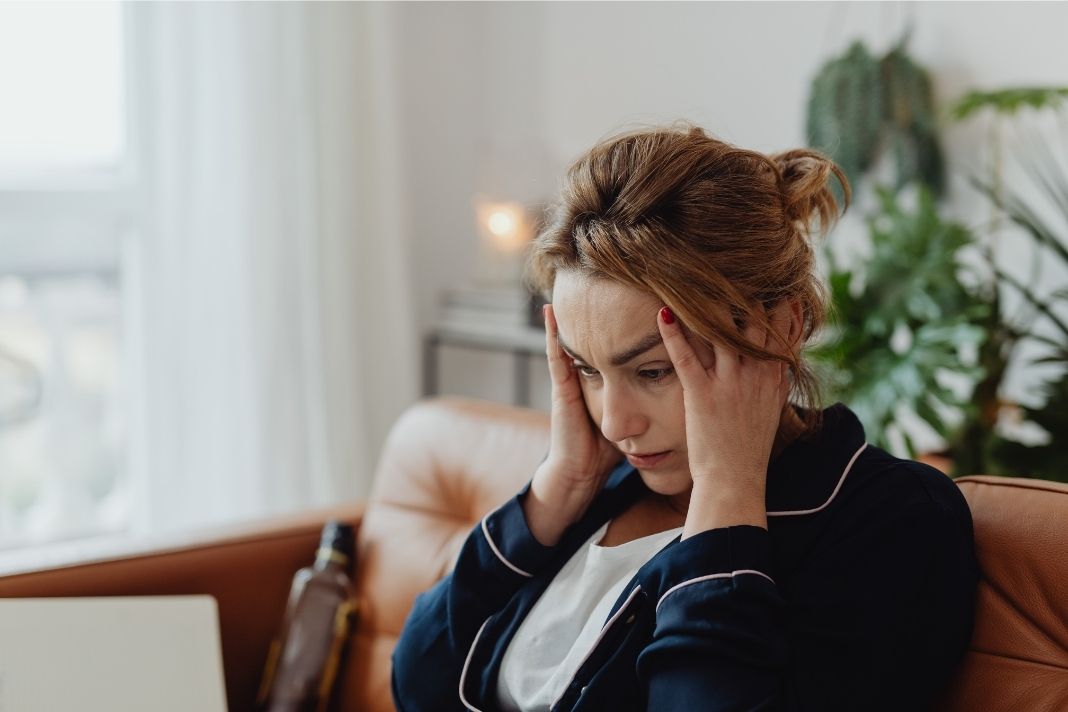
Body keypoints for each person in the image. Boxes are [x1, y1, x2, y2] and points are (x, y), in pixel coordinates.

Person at [391, 123, 979, 711]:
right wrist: (556, 490)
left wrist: (728, 495)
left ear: (782, 328)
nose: (616, 423)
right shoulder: (602, 488)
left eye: (652, 371)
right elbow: (416, 683)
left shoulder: (890, 520)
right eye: (587, 370)